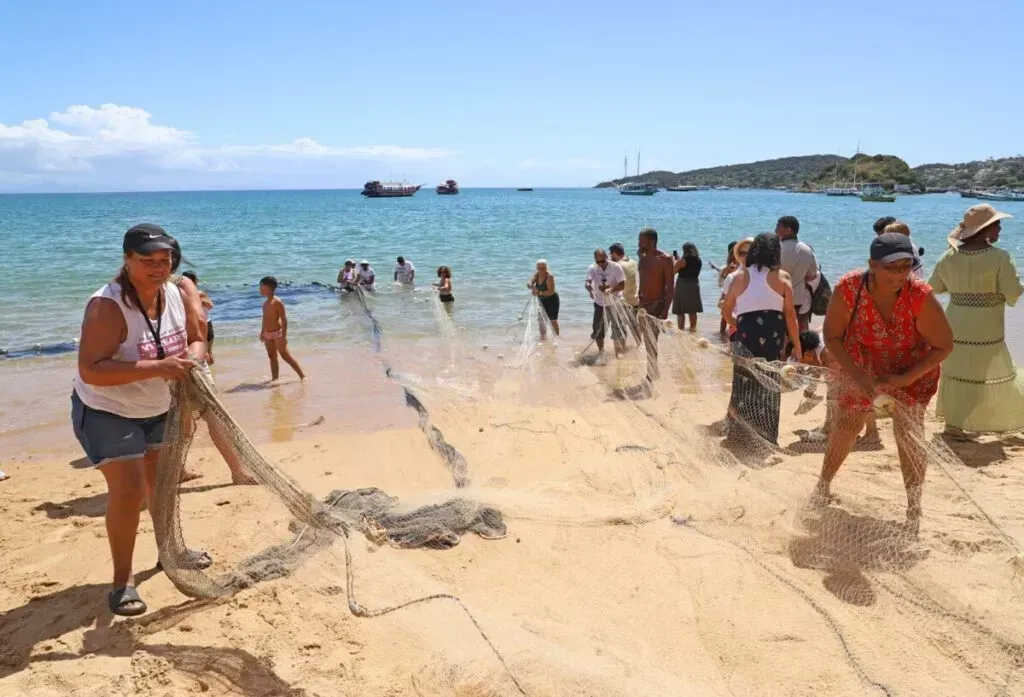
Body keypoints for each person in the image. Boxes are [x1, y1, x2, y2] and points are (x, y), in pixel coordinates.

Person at [72, 223, 209, 616]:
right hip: (106, 409)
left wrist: (192, 361)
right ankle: (122, 582)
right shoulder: (107, 306)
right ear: (127, 260)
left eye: (164, 260)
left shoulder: (176, 292)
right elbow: (91, 370)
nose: (157, 268)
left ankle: (170, 553)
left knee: (161, 486)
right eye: (147, 261)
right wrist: (158, 366)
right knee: (130, 491)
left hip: (159, 406)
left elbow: (198, 338)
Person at [813, 233, 954, 532]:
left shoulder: (919, 295)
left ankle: (914, 510)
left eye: (907, 265)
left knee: (909, 434)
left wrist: (907, 377)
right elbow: (833, 336)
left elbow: (944, 345)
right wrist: (856, 374)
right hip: (863, 363)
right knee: (849, 423)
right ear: (872, 265)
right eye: (892, 267)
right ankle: (823, 486)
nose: (901, 274)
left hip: (912, 367)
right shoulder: (849, 289)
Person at [929, 204, 1024, 438]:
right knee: (989, 371)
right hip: (987, 325)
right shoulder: (1000, 257)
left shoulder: (948, 257)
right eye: (997, 224)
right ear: (986, 229)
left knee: (958, 370)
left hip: (955, 324)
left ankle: (955, 425)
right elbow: (1013, 289)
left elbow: (934, 288)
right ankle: (991, 421)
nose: (1000, 229)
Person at [721, 233, 802, 446]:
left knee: (744, 382)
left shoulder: (739, 277)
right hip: (773, 335)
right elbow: (790, 315)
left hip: (746, 336)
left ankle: (739, 436)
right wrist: (797, 345)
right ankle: (766, 437)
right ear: (775, 252)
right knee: (769, 382)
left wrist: (741, 327)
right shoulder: (783, 277)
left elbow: (726, 311)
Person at [797, 330, 880, 446]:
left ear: (807, 354)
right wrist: (810, 390)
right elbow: (818, 371)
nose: (799, 362)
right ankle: (829, 428)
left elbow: (838, 382)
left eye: (798, 357)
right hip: (858, 357)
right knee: (839, 395)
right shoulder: (816, 349)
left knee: (860, 395)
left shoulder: (827, 354)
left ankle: (872, 433)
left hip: (862, 360)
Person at [635, 228, 675, 381]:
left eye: (641, 241)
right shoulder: (642, 258)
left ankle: (651, 375)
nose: (638, 243)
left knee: (652, 342)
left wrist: (666, 310)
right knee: (647, 341)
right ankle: (653, 371)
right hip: (643, 306)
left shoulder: (664, 260)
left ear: (651, 242)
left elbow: (670, 287)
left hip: (656, 306)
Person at [775, 215, 819, 332]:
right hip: (798, 296)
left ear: (788, 229)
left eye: (778, 226)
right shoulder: (807, 250)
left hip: (777, 296)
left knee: (779, 330)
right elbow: (813, 275)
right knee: (797, 328)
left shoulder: (776, 249)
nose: (775, 230)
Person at [259, 276, 306, 380]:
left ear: (268, 287)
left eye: (261, 286)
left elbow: (284, 320)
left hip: (278, 334)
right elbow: (264, 318)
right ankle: (275, 379)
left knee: (285, 356)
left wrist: (284, 336)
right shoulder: (265, 304)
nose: (259, 289)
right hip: (267, 334)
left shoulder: (278, 302)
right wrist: (262, 332)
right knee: (272, 357)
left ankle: (302, 376)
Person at [585, 248, 627, 362]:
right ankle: (601, 351)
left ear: (607, 257)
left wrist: (611, 289)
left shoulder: (616, 267)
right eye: (597, 262)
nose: (600, 264)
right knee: (598, 329)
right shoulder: (593, 268)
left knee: (618, 327)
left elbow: (622, 284)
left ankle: (619, 351)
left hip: (615, 302)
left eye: (602, 261)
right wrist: (589, 287)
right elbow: (588, 280)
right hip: (599, 303)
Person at [720, 238, 754, 335]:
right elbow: (722, 304)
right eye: (743, 253)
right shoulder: (732, 277)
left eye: (751, 252)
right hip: (737, 325)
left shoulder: (769, 276)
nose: (747, 256)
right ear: (737, 255)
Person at [609, 243, 640, 348]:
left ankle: (622, 351)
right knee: (635, 326)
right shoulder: (632, 261)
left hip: (623, 302)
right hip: (635, 300)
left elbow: (614, 285)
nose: (610, 256)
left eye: (611, 254)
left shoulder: (618, 266)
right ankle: (639, 346)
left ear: (615, 253)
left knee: (620, 328)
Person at [181, 271, 215, 365]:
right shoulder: (199, 293)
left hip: (190, 324)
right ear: (194, 281)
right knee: (207, 352)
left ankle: (208, 374)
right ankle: (210, 375)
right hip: (204, 323)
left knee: (194, 352)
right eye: (197, 279)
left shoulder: (179, 293)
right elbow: (210, 306)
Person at [672, 242, 704, 331]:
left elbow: (672, 272)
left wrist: (675, 261)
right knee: (692, 310)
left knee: (680, 310)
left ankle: (681, 330)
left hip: (683, 285)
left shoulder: (682, 261)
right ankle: (693, 329)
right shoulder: (699, 260)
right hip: (694, 285)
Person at [527, 259, 560, 338]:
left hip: (552, 300)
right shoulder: (537, 274)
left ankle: (557, 338)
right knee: (541, 322)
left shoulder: (549, 276)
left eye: (542, 268)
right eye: (539, 268)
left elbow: (551, 291)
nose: (540, 270)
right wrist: (532, 286)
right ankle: (543, 339)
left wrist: (538, 293)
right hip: (542, 301)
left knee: (553, 321)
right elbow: (529, 283)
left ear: (546, 267)